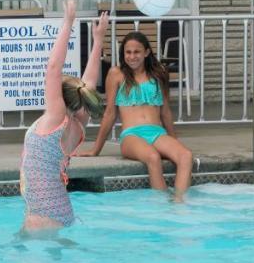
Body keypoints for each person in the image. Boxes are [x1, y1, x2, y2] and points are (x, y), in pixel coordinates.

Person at [20, 0, 108, 231]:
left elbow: (53, 69)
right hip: (61, 210)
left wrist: (68, 22)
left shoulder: (55, 119)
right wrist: (98, 40)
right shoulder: (78, 124)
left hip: (42, 215)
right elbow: (87, 84)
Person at [79, 31, 194, 202]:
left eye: (137, 52)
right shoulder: (116, 74)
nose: (132, 56)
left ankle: (179, 202)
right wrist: (96, 150)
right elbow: (110, 113)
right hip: (131, 136)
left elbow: (165, 112)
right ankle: (162, 204)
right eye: (128, 52)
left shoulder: (159, 73)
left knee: (185, 156)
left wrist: (173, 140)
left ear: (146, 52)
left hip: (157, 133)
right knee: (153, 157)